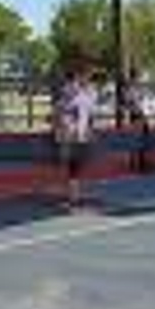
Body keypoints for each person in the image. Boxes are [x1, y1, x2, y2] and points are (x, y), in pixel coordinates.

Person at [53, 62, 99, 209]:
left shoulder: (89, 92)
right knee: (73, 167)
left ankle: (73, 197)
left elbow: (89, 113)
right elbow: (60, 109)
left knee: (75, 167)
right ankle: (73, 197)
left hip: (78, 134)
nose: (87, 77)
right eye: (85, 75)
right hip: (72, 133)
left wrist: (89, 129)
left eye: (89, 75)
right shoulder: (75, 90)